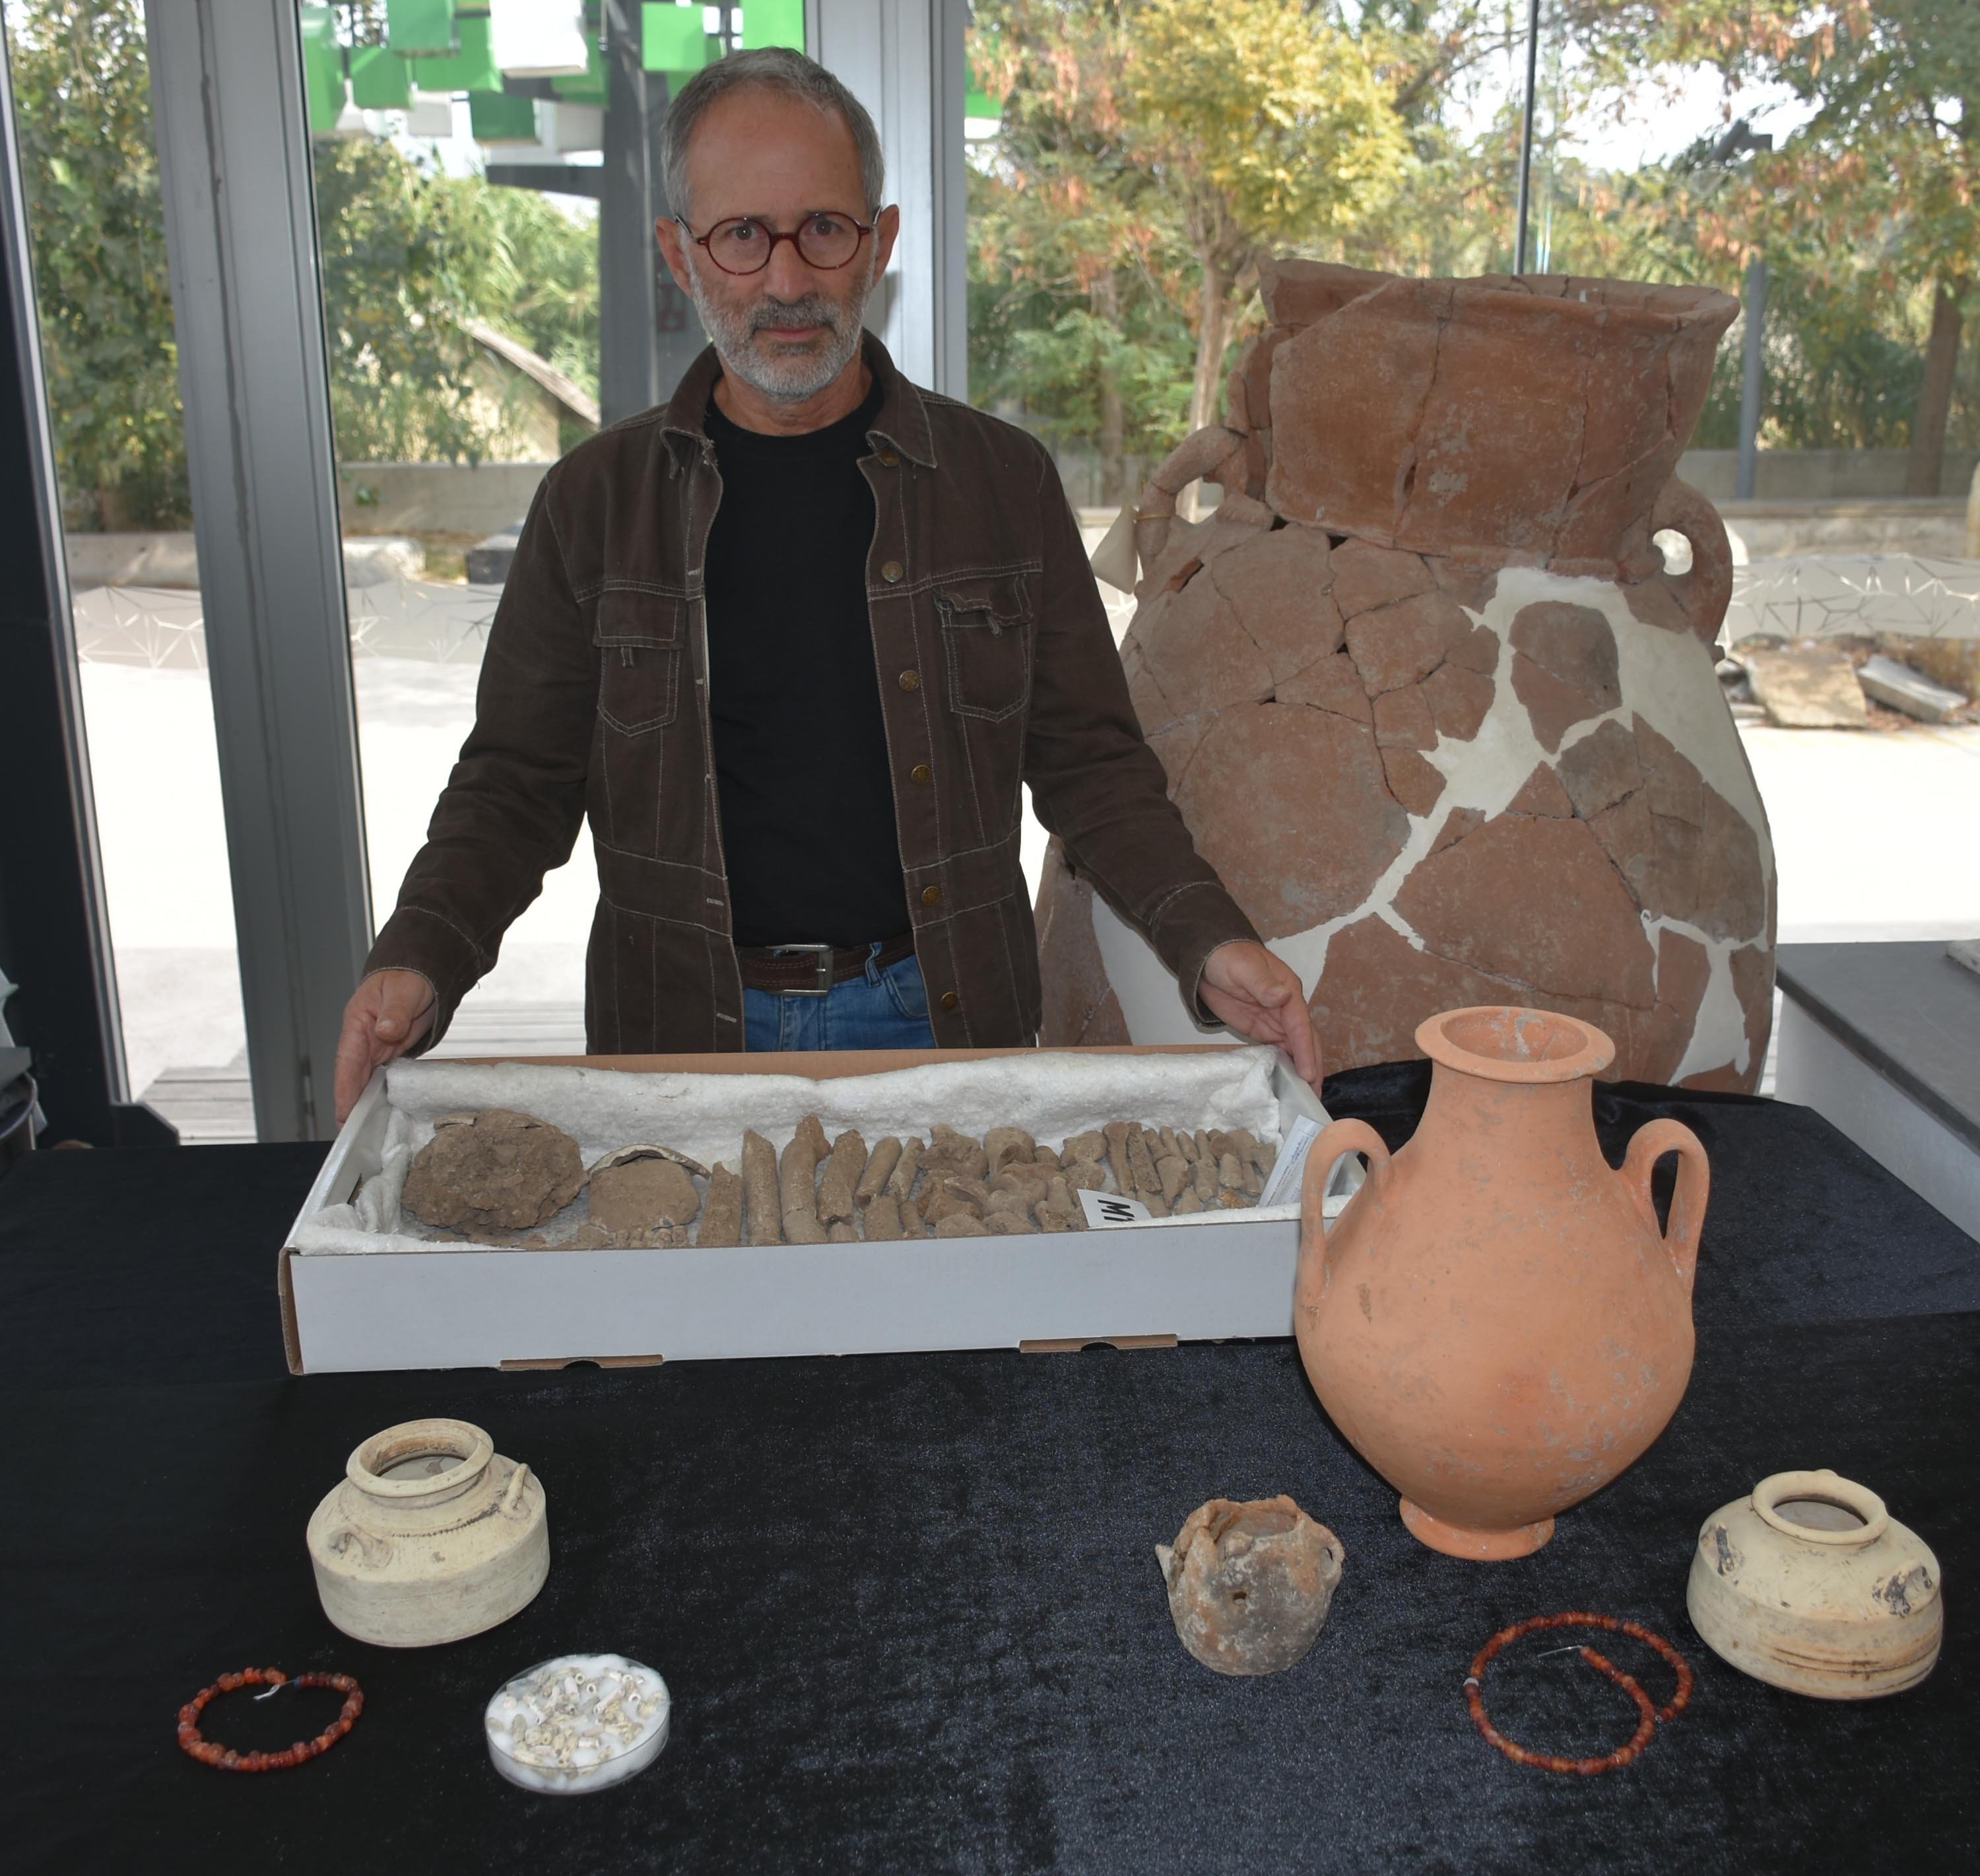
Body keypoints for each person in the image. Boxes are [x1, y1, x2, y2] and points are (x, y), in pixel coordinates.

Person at [332, 47, 1318, 1124]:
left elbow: (1091, 764)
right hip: (680, 1034)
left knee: (945, 1296)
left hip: (945, 1021)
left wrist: (1207, 936)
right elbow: (514, 786)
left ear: (880, 242)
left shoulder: (1000, 483)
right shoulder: (593, 504)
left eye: (826, 230)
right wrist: (419, 958)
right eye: (743, 236)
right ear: (680, 255)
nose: (789, 281)